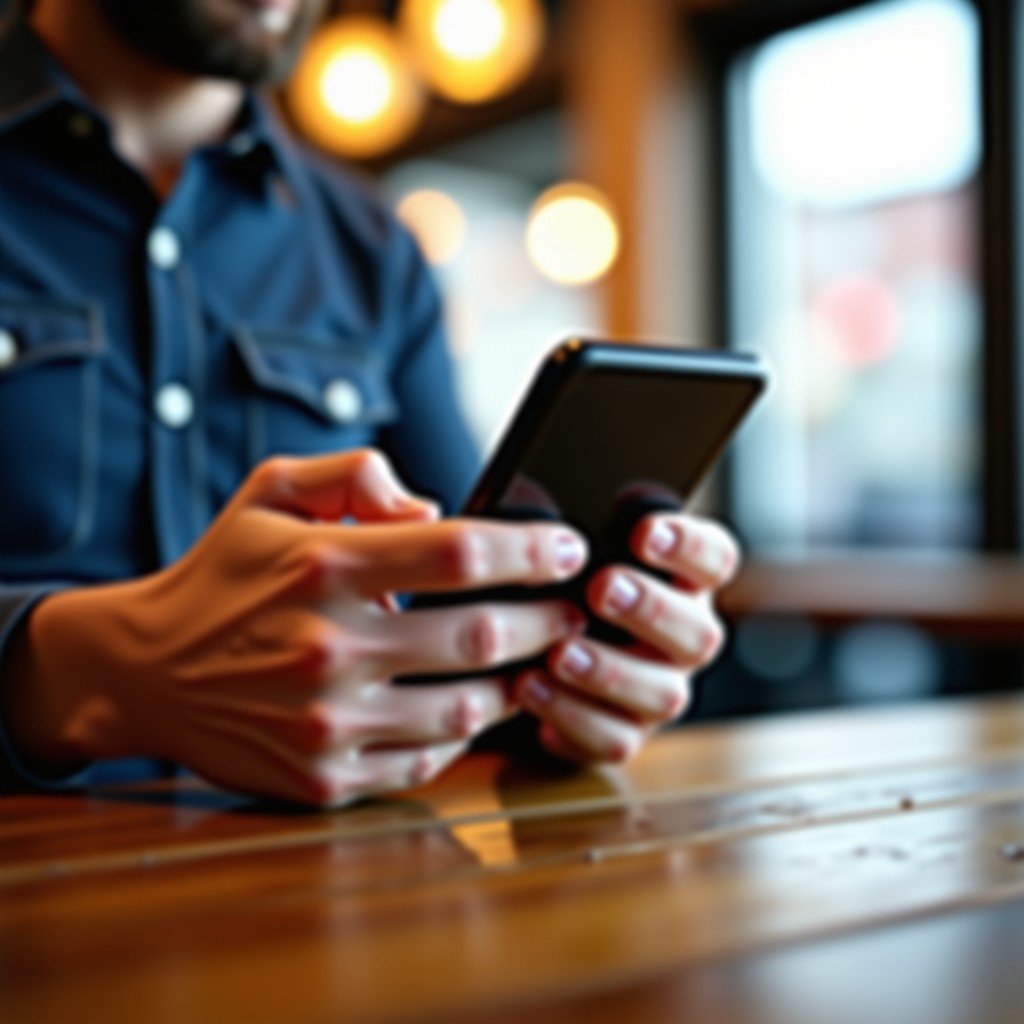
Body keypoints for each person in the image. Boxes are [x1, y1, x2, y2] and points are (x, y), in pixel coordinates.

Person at [0, 0, 739, 806]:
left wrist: (565, 671)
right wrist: (89, 672)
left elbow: (463, 596)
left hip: (315, 869)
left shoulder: (374, 248)